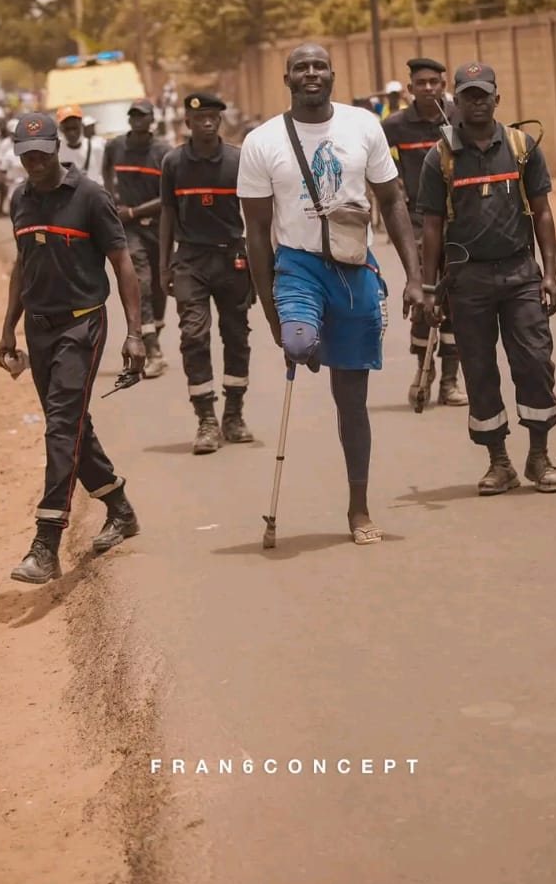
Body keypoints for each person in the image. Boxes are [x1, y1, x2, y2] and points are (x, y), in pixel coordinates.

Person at [238, 43, 425, 544]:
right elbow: (256, 234)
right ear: (288, 79)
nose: (312, 73)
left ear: (333, 75)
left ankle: (358, 509)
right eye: (302, 67)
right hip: (298, 267)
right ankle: (309, 331)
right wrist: (270, 310)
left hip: (355, 267)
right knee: (299, 345)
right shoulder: (262, 141)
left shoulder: (363, 126)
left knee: (352, 400)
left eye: (319, 66)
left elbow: (392, 200)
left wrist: (414, 275)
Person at [0, 113, 145, 585]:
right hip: (39, 329)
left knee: (62, 425)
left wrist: (135, 333)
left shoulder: (90, 196)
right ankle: (119, 508)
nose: (34, 161)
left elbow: (122, 262)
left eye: (41, 151)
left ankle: (46, 542)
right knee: (71, 423)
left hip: (82, 325)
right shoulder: (20, 198)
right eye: (26, 153)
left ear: (58, 147)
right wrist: (8, 331)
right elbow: (22, 267)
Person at [417, 63, 556, 495]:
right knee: (479, 370)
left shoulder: (522, 147)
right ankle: (499, 462)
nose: (477, 102)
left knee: (535, 362)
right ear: (455, 101)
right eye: (468, 95)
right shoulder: (439, 157)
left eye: (484, 94)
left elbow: (543, 212)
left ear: (497, 98)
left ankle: (539, 456)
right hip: (468, 280)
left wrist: (550, 273)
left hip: (521, 275)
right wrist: (430, 288)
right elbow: (431, 227)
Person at [159, 92, 254, 454]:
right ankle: (206, 420)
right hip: (191, 261)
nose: (207, 122)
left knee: (237, 337)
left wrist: (262, 266)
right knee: (194, 336)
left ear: (221, 120)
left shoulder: (238, 160)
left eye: (213, 116)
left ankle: (233, 414)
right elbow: (168, 213)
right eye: (200, 118)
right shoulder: (173, 163)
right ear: (188, 122)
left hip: (232, 259)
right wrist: (163, 264)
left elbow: (256, 217)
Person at [383, 58, 467, 408]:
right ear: (410, 88)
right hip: (418, 222)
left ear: (444, 84)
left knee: (457, 303)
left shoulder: (460, 118)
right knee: (424, 297)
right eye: (422, 83)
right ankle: (423, 367)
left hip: (461, 222)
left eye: (435, 82)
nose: (429, 88)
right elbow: (377, 164)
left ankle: (450, 380)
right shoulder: (395, 126)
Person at [103, 99, 170, 378]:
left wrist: (134, 211)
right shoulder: (116, 146)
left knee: (159, 284)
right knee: (140, 280)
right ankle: (152, 349)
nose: (137, 120)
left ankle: (153, 333)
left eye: (142, 116)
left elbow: (168, 195)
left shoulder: (163, 152)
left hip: (157, 225)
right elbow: (106, 171)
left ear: (152, 120)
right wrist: (113, 201)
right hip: (128, 229)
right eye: (133, 115)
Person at [57, 105, 106, 185]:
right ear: (61, 129)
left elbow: (103, 174)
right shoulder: (56, 151)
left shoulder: (97, 147)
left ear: (81, 126)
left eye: (75, 128)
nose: (72, 133)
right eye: (67, 129)